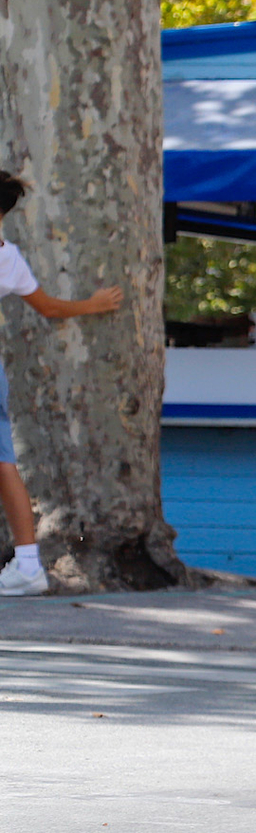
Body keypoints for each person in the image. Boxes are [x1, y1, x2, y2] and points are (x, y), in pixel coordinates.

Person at [0, 171, 126, 597]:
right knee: (4, 464)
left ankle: (29, 566)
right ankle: (29, 564)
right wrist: (92, 304)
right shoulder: (9, 257)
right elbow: (49, 308)